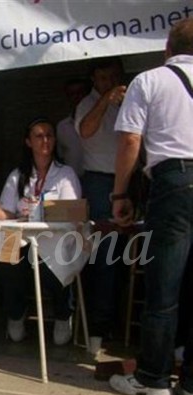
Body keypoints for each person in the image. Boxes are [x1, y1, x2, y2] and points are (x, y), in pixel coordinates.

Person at [109, 18, 193, 395]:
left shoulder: (149, 80)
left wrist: (120, 193)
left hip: (174, 181)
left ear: (167, 47)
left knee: (163, 287)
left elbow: (130, 139)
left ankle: (153, 378)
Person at [0, 118, 81, 346]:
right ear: (28, 142)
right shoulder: (18, 175)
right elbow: (8, 212)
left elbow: (72, 210)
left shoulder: (65, 173)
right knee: (5, 257)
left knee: (55, 260)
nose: (45, 140)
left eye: (49, 135)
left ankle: (63, 314)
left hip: (54, 239)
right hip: (23, 239)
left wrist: (40, 210)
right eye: (39, 136)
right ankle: (16, 313)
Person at [74, 57, 126, 353]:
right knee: (104, 257)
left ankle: (114, 322)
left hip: (127, 180)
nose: (110, 82)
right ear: (94, 79)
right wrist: (106, 99)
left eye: (114, 77)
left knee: (128, 255)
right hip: (99, 183)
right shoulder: (88, 104)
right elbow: (86, 130)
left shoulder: (126, 103)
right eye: (104, 78)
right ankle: (96, 326)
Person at [56, 78, 89, 177]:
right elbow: (61, 157)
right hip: (73, 178)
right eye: (72, 94)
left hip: (98, 178)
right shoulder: (62, 127)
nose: (77, 97)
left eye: (80, 92)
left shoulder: (102, 121)